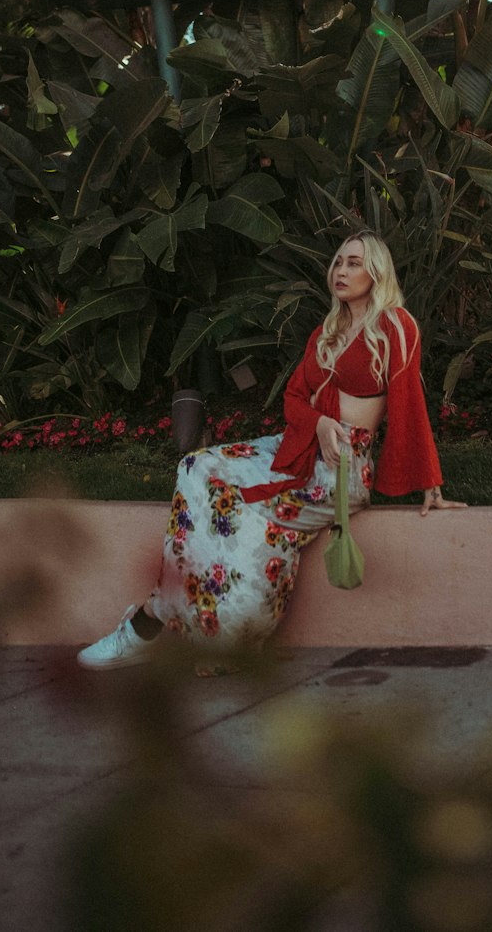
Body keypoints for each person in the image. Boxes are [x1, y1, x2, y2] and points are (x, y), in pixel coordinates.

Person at [77, 231, 464, 669]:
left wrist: (429, 480)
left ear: (377, 271)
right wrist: (318, 423)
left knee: (241, 526)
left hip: (339, 469)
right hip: (297, 447)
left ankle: (153, 627)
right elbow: (294, 399)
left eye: (354, 263)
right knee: (196, 468)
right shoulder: (327, 330)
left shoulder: (394, 324)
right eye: (338, 262)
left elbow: (409, 397)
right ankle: (202, 635)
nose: (341, 271)